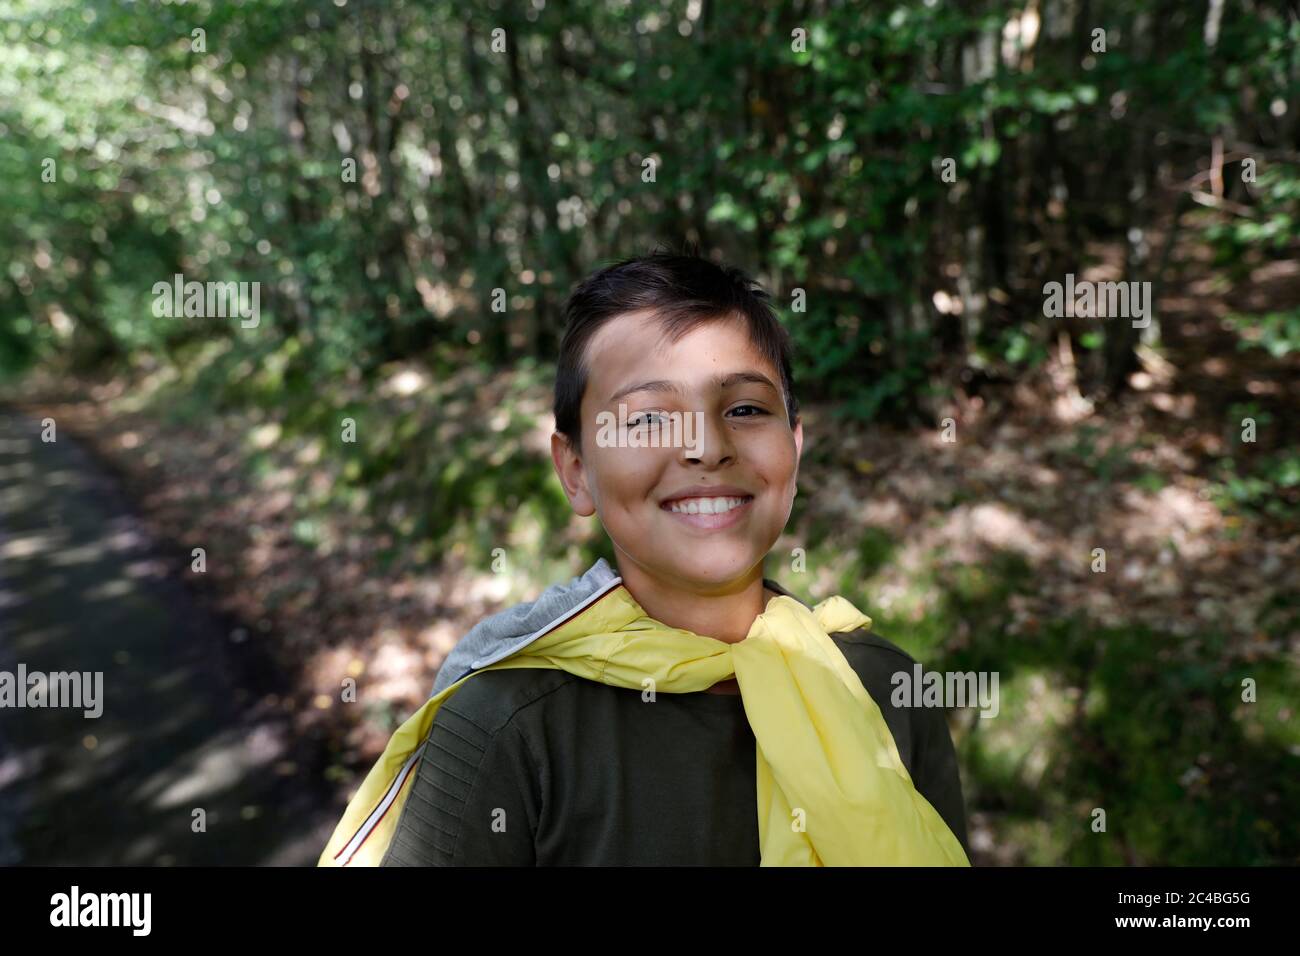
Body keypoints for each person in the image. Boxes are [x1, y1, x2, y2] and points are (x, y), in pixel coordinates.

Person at [318, 245, 971, 866]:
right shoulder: (507, 725)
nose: (707, 447)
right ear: (576, 471)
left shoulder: (884, 689)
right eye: (648, 419)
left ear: (794, 450)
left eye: (744, 408)